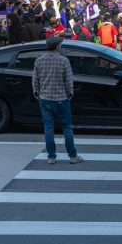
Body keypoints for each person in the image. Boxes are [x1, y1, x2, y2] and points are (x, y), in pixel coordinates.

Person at [33, 35, 84, 165]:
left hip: (45, 98)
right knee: (67, 127)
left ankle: (51, 156)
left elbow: (35, 80)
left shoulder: (39, 60)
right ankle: (72, 156)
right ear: (57, 46)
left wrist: (37, 93)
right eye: (60, 45)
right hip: (61, 98)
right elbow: (69, 80)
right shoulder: (63, 60)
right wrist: (69, 94)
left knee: (49, 128)